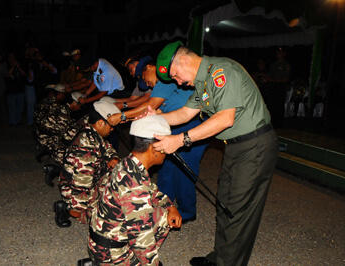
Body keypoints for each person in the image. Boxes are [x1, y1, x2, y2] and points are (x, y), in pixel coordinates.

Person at [151, 41, 278, 266]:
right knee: (225, 205)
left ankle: (228, 263)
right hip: (236, 147)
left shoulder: (221, 72)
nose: (178, 83)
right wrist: (153, 119)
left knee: (238, 212)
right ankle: (219, 258)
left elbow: (225, 118)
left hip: (254, 145)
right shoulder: (202, 83)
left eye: (176, 76)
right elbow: (183, 114)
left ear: (183, 61)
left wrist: (180, 140)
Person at [108, 61, 208, 222]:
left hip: (194, 123)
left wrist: (124, 116)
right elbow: (157, 107)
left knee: (184, 168)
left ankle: (186, 211)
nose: (147, 84)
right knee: (167, 165)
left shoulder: (166, 79)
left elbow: (151, 104)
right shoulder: (160, 84)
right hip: (175, 123)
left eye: (145, 79)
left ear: (150, 67)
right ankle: (163, 206)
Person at [77, 115, 182, 266]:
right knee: (150, 237)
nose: (170, 150)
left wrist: (170, 206)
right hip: (110, 253)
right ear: (154, 148)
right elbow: (141, 239)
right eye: (167, 145)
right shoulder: (135, 185)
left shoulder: (128, 162)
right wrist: (152, 263)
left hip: (101, 240)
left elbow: (152, 190)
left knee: (164, 215)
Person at [55, 100, 121, 227]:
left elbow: (109, 149)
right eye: (111, 126)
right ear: (101, 123)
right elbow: (81, 184)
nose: (112, 129)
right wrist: (82, 210)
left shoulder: (93, 132)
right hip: (77, 188)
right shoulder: (86, 146)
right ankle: (64, 209)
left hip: (89, 179)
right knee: (106, 218)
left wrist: (114, 158)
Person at [266, 47, 291, 128]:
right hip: (273, 87)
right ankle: (272, 123)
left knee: (279, 106)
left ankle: (280, 124)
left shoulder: (286, 65)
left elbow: (285, 79)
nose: (278, 54)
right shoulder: (273, 64)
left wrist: (274, 80)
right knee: (272, 105)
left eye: (280, 52)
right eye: (277, 53)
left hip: (281, 87)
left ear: (284, 54)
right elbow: (269, 76)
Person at [5, 53, 26, 126]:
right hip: (11, 91)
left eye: (13, 58)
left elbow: (24, 74)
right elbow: (7, 75)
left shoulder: (20, 66)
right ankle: (12, 122)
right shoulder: (7, 66)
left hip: (20, 90)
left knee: (19, 107)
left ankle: (18, 121)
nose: (12, 59)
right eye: (10, 57)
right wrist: (13, 67)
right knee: (11, 108)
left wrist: (18, 67)